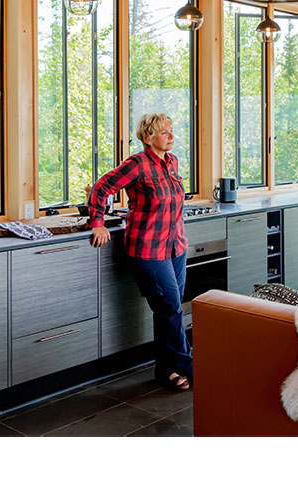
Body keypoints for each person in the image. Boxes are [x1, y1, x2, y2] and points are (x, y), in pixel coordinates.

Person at [88, 113, 192, 391]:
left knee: (168, 310)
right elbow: (101, 188)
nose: (171, 136)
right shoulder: (137, 164)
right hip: (148, 249)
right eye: (164, 132)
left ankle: (167, 371)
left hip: (175, 246)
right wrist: (97, 223)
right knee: (170, 306)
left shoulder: (172, 162)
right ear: (148, 138)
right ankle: (188, 366)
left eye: (171, 131)